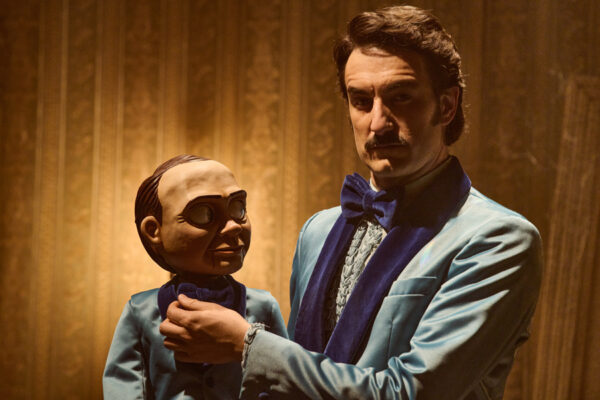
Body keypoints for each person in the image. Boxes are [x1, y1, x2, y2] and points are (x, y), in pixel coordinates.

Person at [159, 6, 542, 399]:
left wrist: (248, 346)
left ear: (446, 106)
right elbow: (298, 379)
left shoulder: (499, 239)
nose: (378, 123)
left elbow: (410, 393)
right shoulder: (318, 230)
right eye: (361, 100)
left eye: (401, 97)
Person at [103, 155, 287, 399]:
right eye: (203, 213)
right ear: (154, 230)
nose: (234, 227)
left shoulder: (264, 306)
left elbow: (284, 380)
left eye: (238, 208)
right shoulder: (140, 311)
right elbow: (124, 384)